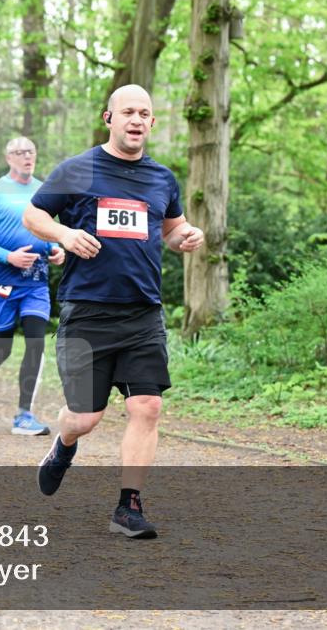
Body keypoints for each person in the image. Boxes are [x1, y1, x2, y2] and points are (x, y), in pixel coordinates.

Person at [22, 84, 204, 538]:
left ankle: (129, 507)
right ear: (109, 118)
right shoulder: (78, 169)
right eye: (128, 112)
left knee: (147, 406)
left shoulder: (162, 178)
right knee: (86, 417)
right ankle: (63, 446)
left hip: (143, 313)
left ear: (153, 123)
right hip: (88, 313)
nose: (136, 120)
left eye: (144, 113)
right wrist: (63, 236)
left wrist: (187, 236)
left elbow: (170, 229)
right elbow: (33, 216)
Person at [0, 136, 65, 436]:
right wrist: (8, 257)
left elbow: (49, 232)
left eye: (31, 151)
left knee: (36, 343)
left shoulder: (44, 191)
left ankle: (23, 415)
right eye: (19, 152)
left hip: (35, 283)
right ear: (9, 158)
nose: (26, 157)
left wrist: (56, 249)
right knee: (2, 347)